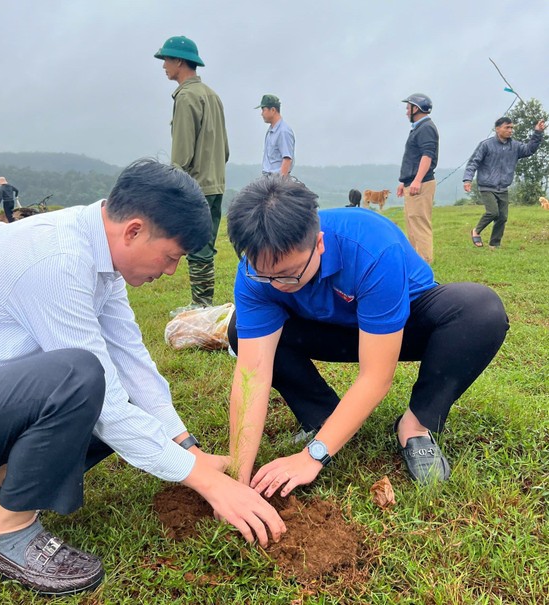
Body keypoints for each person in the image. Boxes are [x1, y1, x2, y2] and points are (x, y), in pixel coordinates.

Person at [0, 160, 285, 596]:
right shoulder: (56, 259)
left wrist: (188, 448)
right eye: (172, 256)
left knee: (110, 388)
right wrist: (206, 481)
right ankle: (9, 536)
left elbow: (132, 363)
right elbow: (99, 399)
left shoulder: (99, 260)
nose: (171, 271)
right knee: (79, 377)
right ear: (134, 231)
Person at [225, 176, 509, 498]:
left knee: (481, 311)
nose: (276, 284)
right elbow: (252, 372)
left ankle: (415, 427)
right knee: (240, 330)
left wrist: (312, 457)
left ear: (319, 243)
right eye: (264, 274)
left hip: (400, 324)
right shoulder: (254, 274)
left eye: (289, 274)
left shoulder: (371, 246)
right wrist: (237, 475)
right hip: (330, 330)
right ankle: (324, 419)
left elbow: (376, 375)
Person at [154, 35, 229, 315]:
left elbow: (182, 155)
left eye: (167, 60)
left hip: (195, 184)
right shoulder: (212, 95)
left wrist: (173, 187)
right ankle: (204, 303)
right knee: (205, 243)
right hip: (216, 182)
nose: (164, 66)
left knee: (195, 243)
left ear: (180, 62)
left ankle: (200, 305)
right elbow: (226, 148)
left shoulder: (186, 97)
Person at [464, 117, 545, 249]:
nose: (510, 130)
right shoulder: (486, 145)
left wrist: (538, 132)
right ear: (497, 129)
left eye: (511, 127)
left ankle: (494, 245)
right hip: (487, 186)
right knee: (493, 212)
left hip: (503, 187)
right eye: (507, 127)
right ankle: (476, 231)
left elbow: (529, 150)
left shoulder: (515, 146)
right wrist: (467, 179)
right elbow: (474, 162)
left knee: (502, 217)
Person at [396, 93, 439, 264]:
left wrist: (417, 180)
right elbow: (413, 157)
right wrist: (404, 181)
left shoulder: (426, 127)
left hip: (420, 183)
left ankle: (424, 263)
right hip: (412, 182)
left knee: (419, 224)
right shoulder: (418, 127)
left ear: (417, 108)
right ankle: (415, 262)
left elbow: (427, 156)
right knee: (412, 223)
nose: (406, 111)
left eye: (408, 108)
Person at [255, 94, 295, 177]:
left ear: (273, 110)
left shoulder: (283, 131)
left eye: (263, 110)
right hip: (267, 179)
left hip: (276, 182)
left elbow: (287, 159)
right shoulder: (271, 131)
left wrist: (280, 185)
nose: (261, 114)